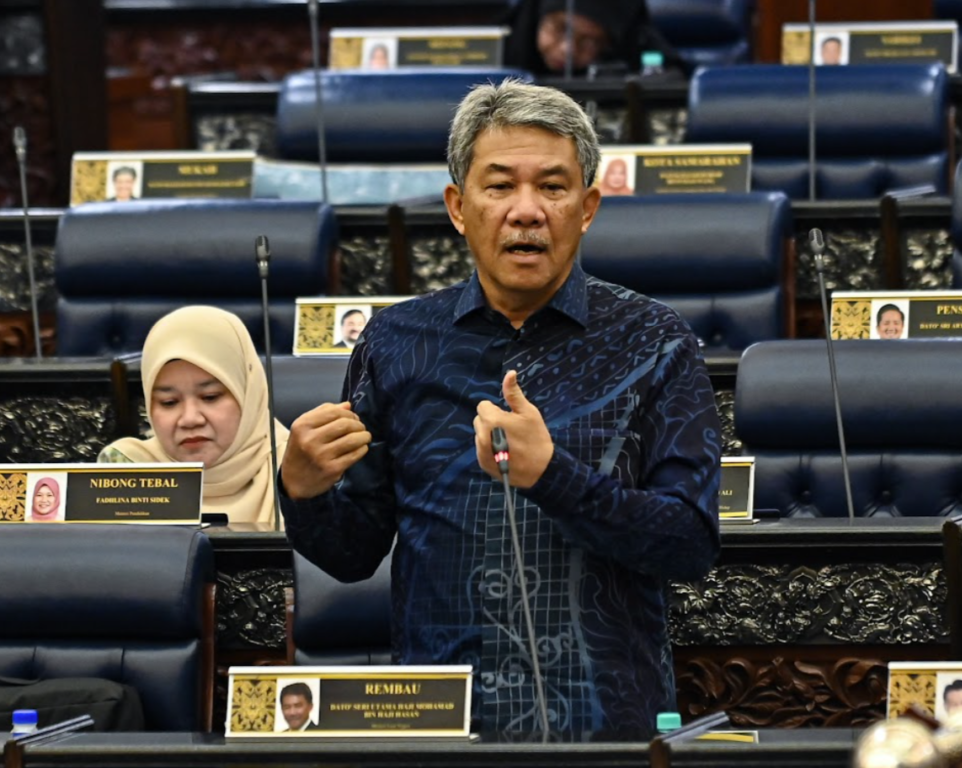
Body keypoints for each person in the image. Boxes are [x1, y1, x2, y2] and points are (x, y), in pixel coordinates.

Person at [280, 79, 721, 739]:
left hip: (604, 728)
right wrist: (304, 490)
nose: (526, 211)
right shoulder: (396, 343)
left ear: (587, 207)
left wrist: (552, 476)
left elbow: (689, 544)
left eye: (552, 186)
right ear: (458, 207)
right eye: (499, 186)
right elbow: (353, 555)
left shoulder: (655, 342)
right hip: (442, 726)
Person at [98, 306, 288, 525]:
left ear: (249, 394)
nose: (190, 419)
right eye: (169, 402)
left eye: (210, 397)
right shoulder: (126, 469)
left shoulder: (297, 468)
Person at [503, 0, 684, 77]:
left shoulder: (641, 53)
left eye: (589, 41)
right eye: (560, 29)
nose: (568, 49)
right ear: (536, 20)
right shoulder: (500, 49)